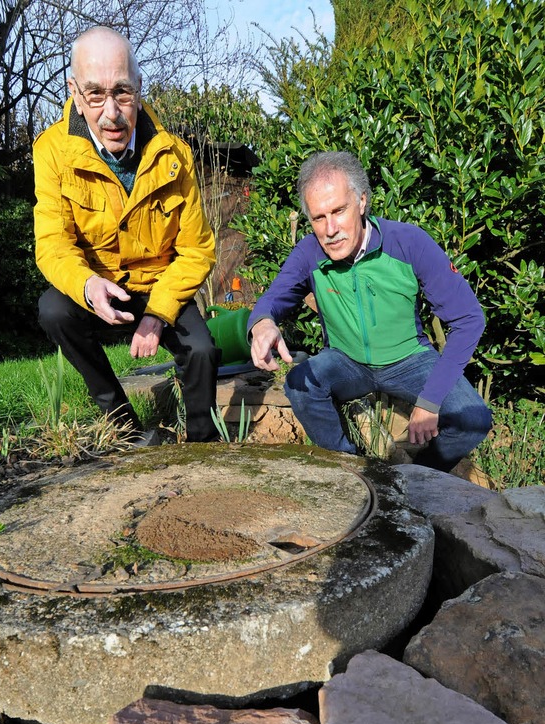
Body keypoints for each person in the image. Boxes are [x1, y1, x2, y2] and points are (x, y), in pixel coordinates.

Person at [248, 151, 492, 471]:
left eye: (339, 210)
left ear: (362, 201)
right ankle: (349, 467)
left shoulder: (409, 242)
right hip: (346, 361)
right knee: (298, 383)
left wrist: (431, 399)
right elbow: (276, 296)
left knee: (473, 418)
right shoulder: (309, 252)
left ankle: (417, 477)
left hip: (410, 360)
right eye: (319, 218)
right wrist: (262, 323)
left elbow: (469, 317)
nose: (331, 228)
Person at [33, 26, 219, 443]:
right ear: (75, 94)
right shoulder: (50, 151)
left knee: (203, 349)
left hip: (159, 286)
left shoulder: (176, 156)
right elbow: (51, 242)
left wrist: (158, 314)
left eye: (122, 92)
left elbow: (198, 249)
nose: (111, 113)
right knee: (54, 310)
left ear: (138, 86)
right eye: (95, 94)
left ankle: (203, 442)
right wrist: (86, 285)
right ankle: (122, 423)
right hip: (100, 285)